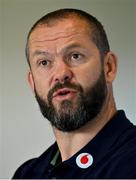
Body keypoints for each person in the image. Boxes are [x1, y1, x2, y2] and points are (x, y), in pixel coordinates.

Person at [12, 8, 136, 179]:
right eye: (44, 62)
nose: (60, 73)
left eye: (75, 56)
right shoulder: (27, 174)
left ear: (108, 67)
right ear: (32, 83)